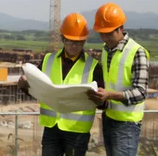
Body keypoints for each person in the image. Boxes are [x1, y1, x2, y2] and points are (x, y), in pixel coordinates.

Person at [18, 13, 105, 156]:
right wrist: (24, 85)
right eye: (70, 41)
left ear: (84, 41)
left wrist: (100, 100)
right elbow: (38, 91)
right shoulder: (48, 60)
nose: (73, 45)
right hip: (51, 129)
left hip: (77, 131)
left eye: (78, 42)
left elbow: (102, 103)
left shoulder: (94, 66)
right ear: (63, 38)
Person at [86, 2, 149, 156]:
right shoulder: (106, 50)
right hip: (108, 118)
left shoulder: (136, 52)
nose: (105, 37)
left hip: (127, 123)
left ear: (120, 28)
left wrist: (111, 95)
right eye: (102, 33)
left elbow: (141, 93)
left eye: (109, 33)